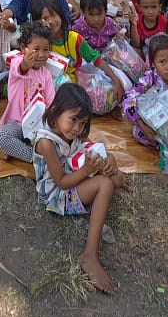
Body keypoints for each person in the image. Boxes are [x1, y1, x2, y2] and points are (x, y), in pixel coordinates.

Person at [34, 82, 131, 294]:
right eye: (73, 120)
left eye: (83, 123)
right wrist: (89, 169)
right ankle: (89, 256)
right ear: (55, 111)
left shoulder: (75, 132)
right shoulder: (46, 143)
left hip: (75, 173)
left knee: (110, 172)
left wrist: (108, 160)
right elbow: (61, 182)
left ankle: (111, 174)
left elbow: (92, 147)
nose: (77, 128)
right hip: (57, 195)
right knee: (106, 184)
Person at [30, 0, 125, 104]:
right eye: (45, 18)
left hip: (74, 86)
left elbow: (95, 58)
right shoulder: (39, 42)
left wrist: (116, 80)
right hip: (47, 88)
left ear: (60, 14)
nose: (51, 21)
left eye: (53, 15)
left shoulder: (74, 38)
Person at [0, 21, 55, 163]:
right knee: (0, 136)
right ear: (23, 48)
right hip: (18, 123)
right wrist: (25, 63)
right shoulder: (17, 63)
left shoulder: (46, 74)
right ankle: (35, 157)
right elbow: (21, 68)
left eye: (46, 50)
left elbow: (50, 103)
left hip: (38, 127)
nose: (41, 55)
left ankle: (38, 149)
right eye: (36, 49)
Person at [72, 0, 138, 52]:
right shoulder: (78, 27)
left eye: (99, 14)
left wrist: (118, 36)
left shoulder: (109, 23)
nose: (96, 19)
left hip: (108, 55)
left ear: (106, 11)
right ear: (83, 12)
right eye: (91, 15)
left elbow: (115, 34)